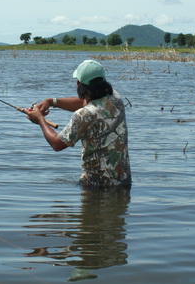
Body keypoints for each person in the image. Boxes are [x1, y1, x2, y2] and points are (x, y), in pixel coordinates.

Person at [24, 59, 131, 189]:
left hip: (97, 185)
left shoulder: (84, 115)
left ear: (79, 83)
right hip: (123, 181)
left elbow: (57, 144)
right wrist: (52, 101)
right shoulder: (115, 98)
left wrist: (40, 120)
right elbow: (86, 103)